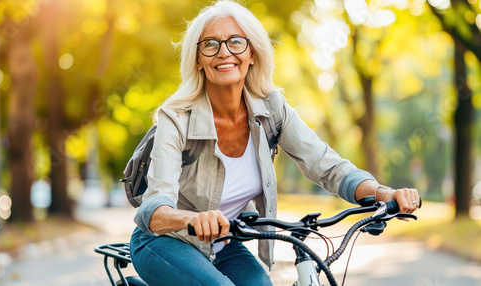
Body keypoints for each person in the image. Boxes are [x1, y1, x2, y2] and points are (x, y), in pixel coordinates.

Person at [129, 1, 420, 285]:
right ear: (197, 59)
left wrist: (384, 193)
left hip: (224, 245)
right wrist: (192, 219)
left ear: (252, 52)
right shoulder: (176, 118)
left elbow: (328, 167)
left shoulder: (272, 110)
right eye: (210, 44)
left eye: (236, 42)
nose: (224, 52)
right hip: (164, 242)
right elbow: (154, 207)